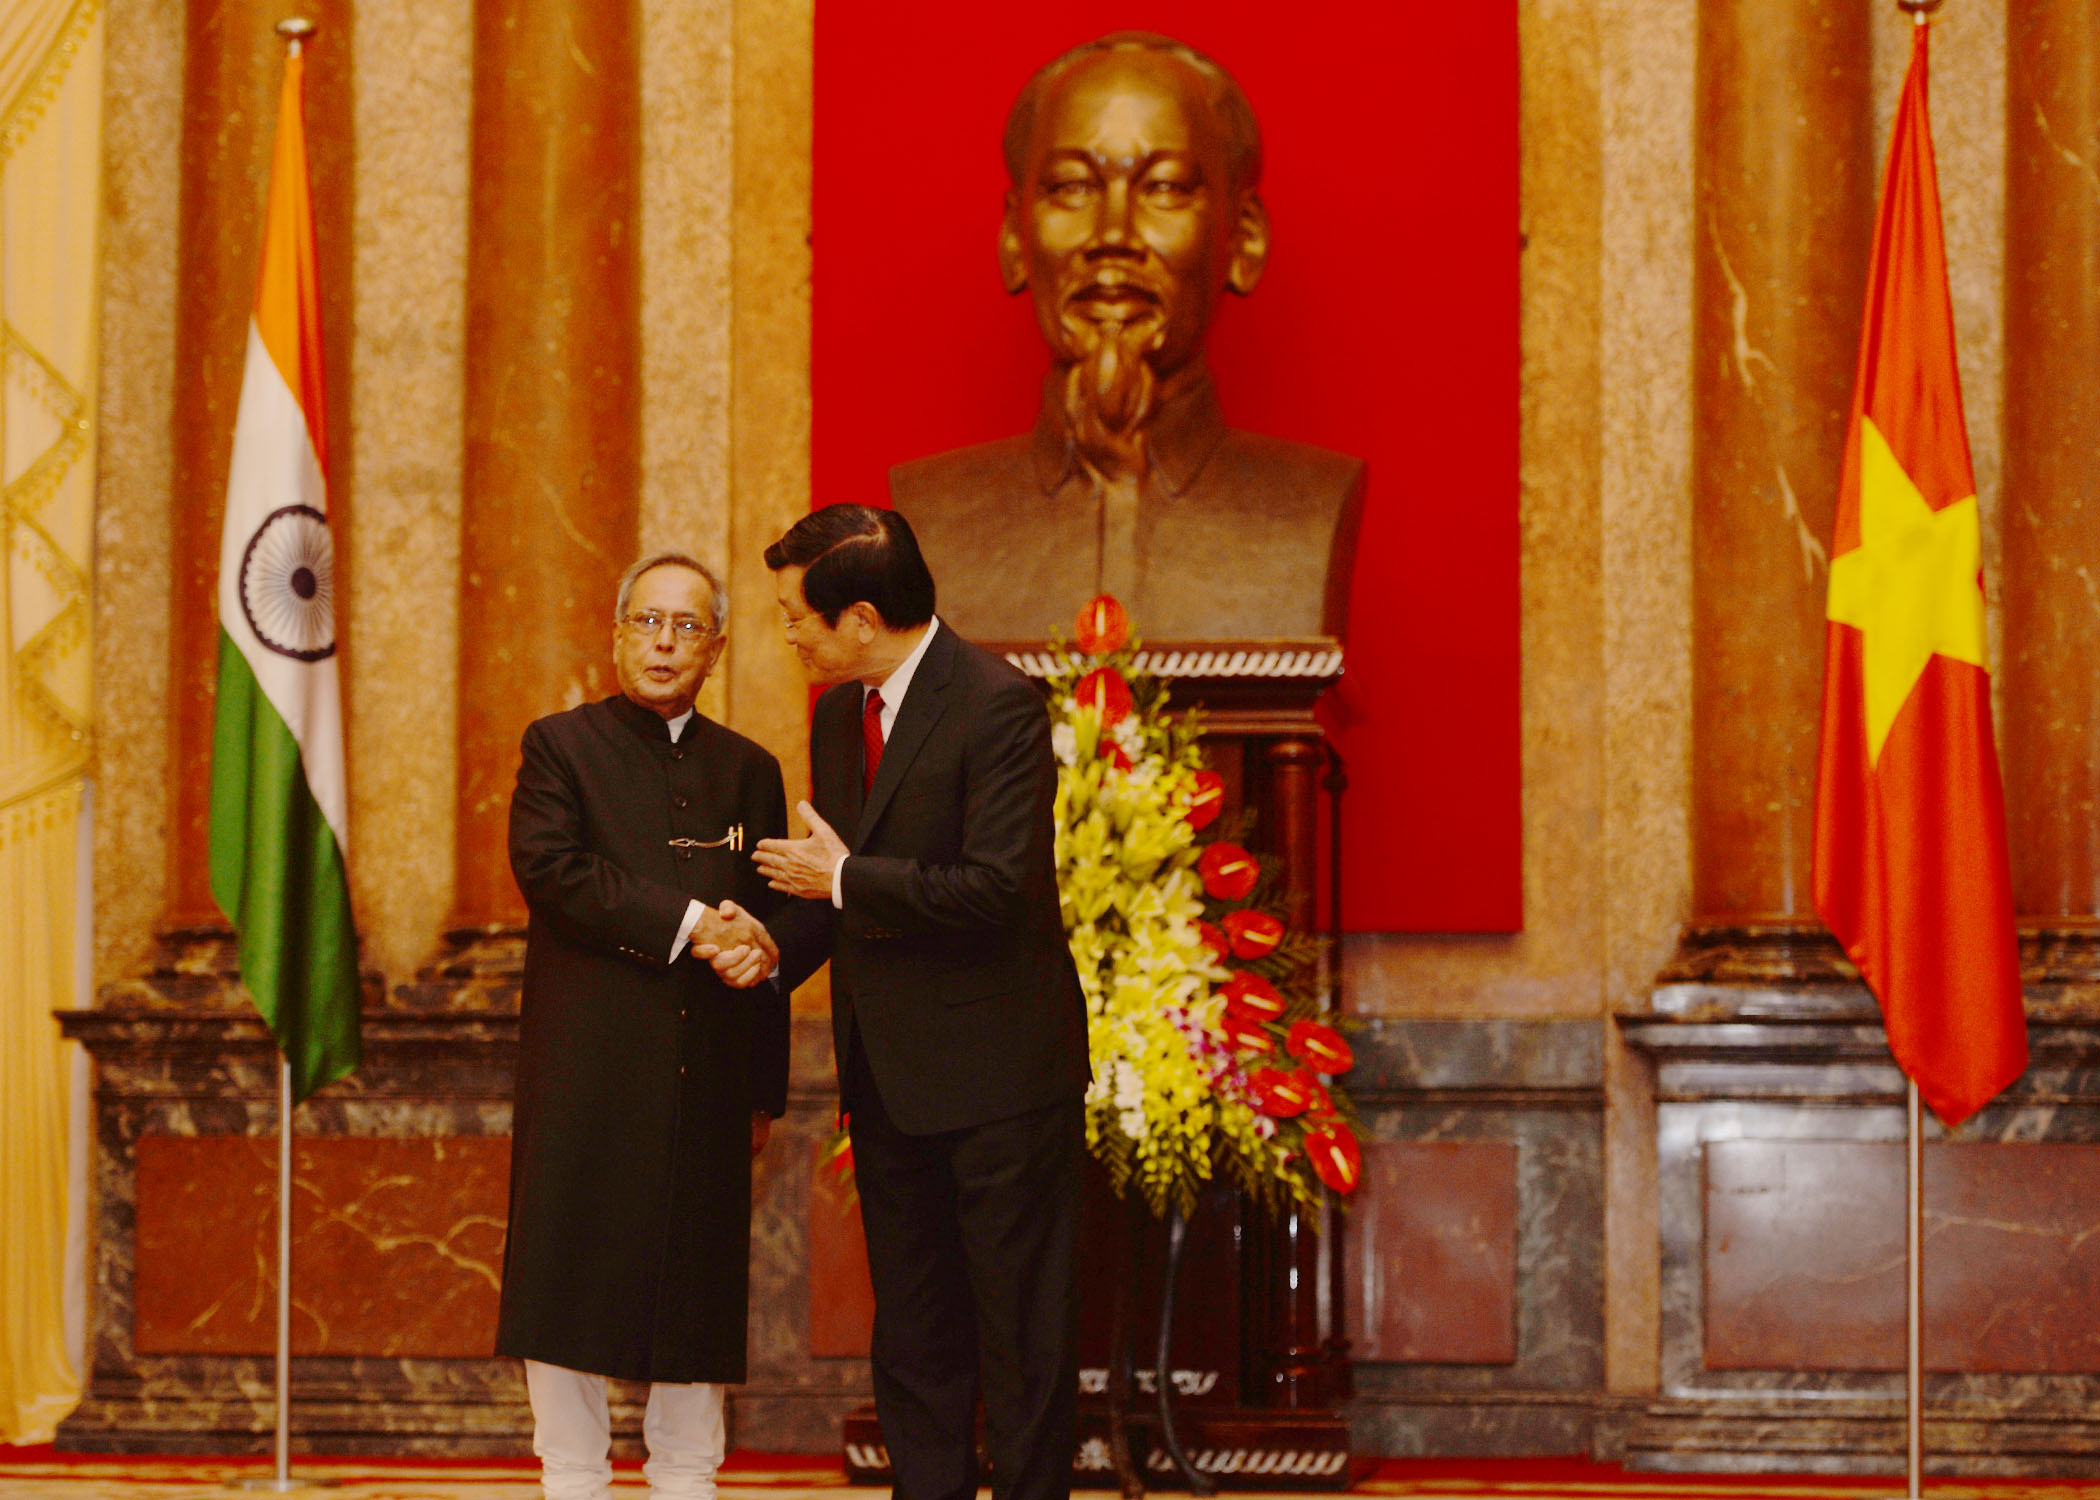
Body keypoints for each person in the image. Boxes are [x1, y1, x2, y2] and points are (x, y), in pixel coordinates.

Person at [754, 505, 1090, 1500]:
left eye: (796, 617)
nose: (788, 635)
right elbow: (836, 890)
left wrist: (845, 883)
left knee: (1023, 1348)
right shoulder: (833, 713)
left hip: (1001, 1089)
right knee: (914, 1344)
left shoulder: (998, 706)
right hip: (889, 1083)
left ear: (861, 617)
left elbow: (993, 890)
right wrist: (765, 943)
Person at [891, 31, 1365, 644]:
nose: (1113, 232)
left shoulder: (1309, 509)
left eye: (1163, 187)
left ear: (1243, 239)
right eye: (1071, 187)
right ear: (1014, 237)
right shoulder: (932, 516)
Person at [496, 551, 788, 1500]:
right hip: (586, 1077)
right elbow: (554, 873)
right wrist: (695, 924)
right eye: (648, 623)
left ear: (718, 647)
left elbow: (763, 928)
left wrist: (763, 1088)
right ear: (618, 632)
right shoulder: (560, 747)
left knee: (692, 1306)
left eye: (688, 627)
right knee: (570, 1292)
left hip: (705, 1084)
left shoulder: (750, 770)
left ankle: (688, 1481)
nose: (666, 643)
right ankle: (573, 1478)